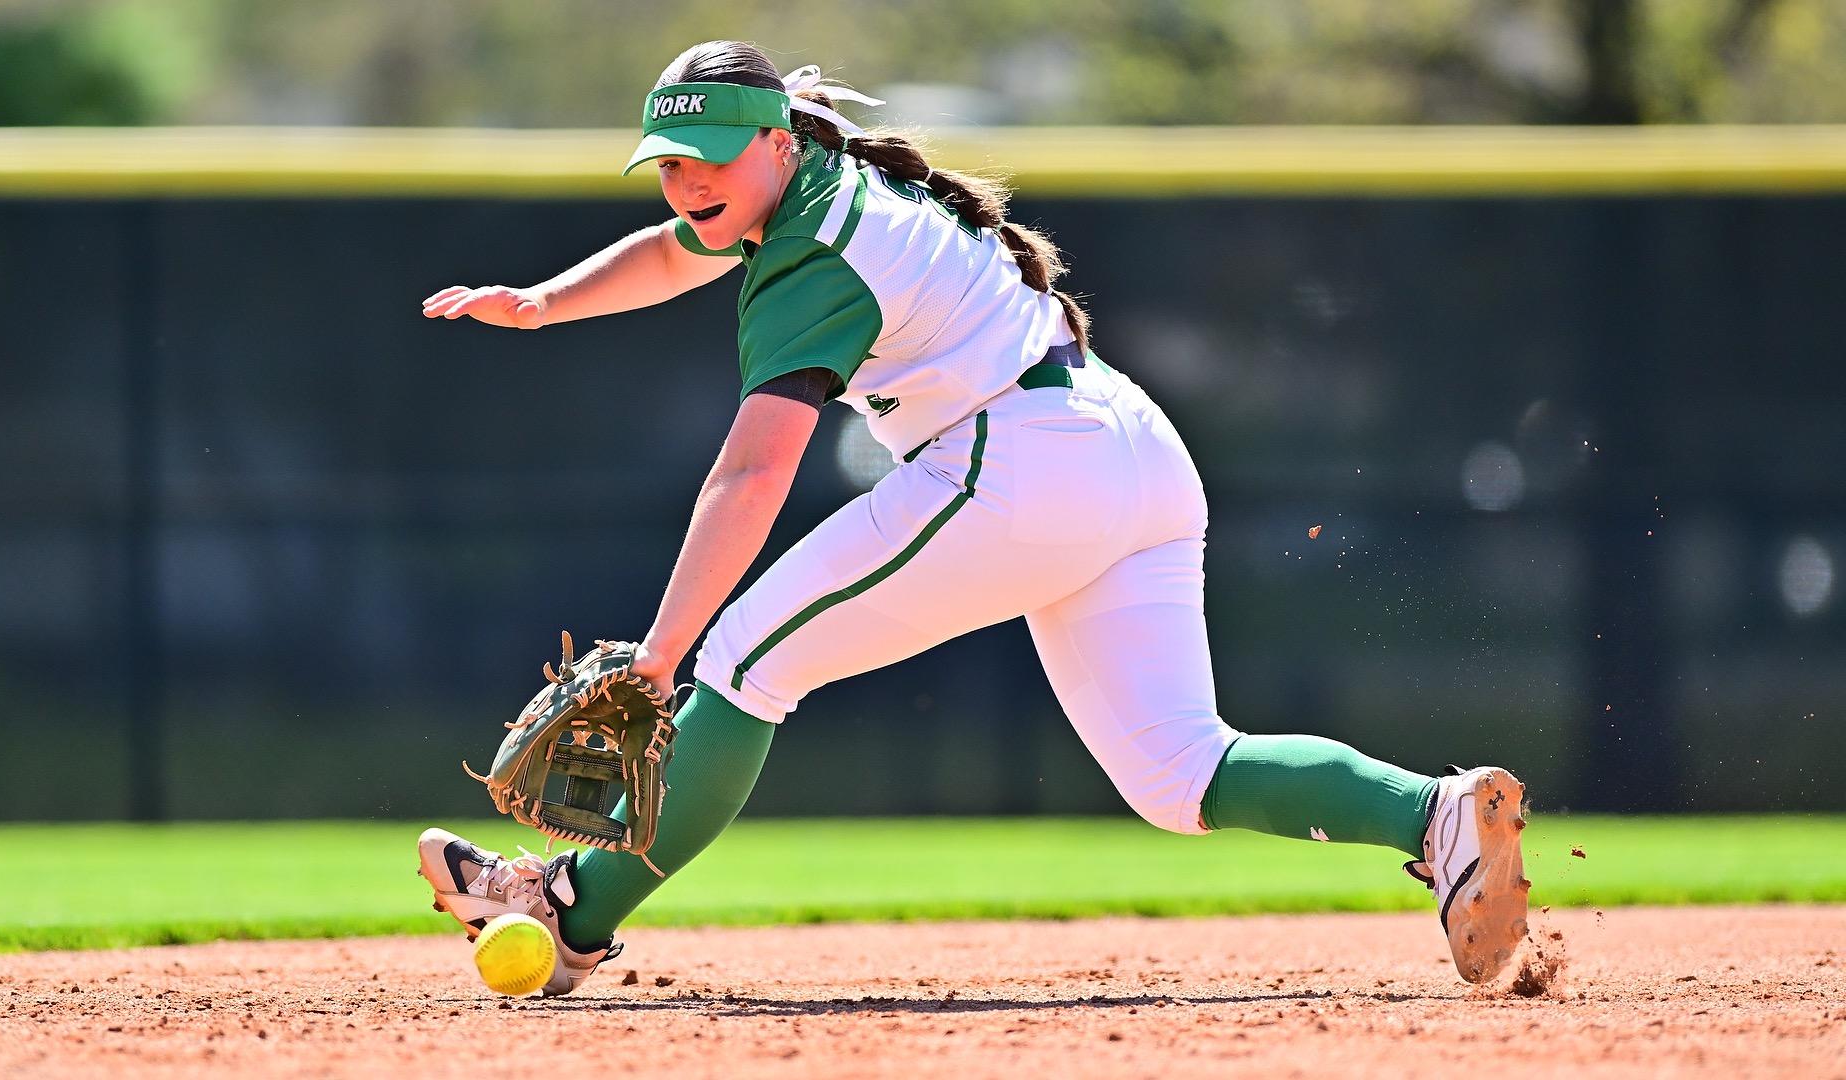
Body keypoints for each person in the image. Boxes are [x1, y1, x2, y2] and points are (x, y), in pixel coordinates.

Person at [414, 40, 1530, 994]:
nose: (687, 183)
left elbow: (751, 477)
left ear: (775, 143)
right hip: (1123, 445)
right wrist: (548, 301)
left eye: (711, 158)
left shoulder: (811, 251)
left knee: (744, 654)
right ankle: (1433, 815)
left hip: (1022, 466)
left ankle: (572, 916)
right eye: (669, 165)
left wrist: (662, 655)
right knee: (1184, 774)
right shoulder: (814, 189)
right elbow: (678, 247)